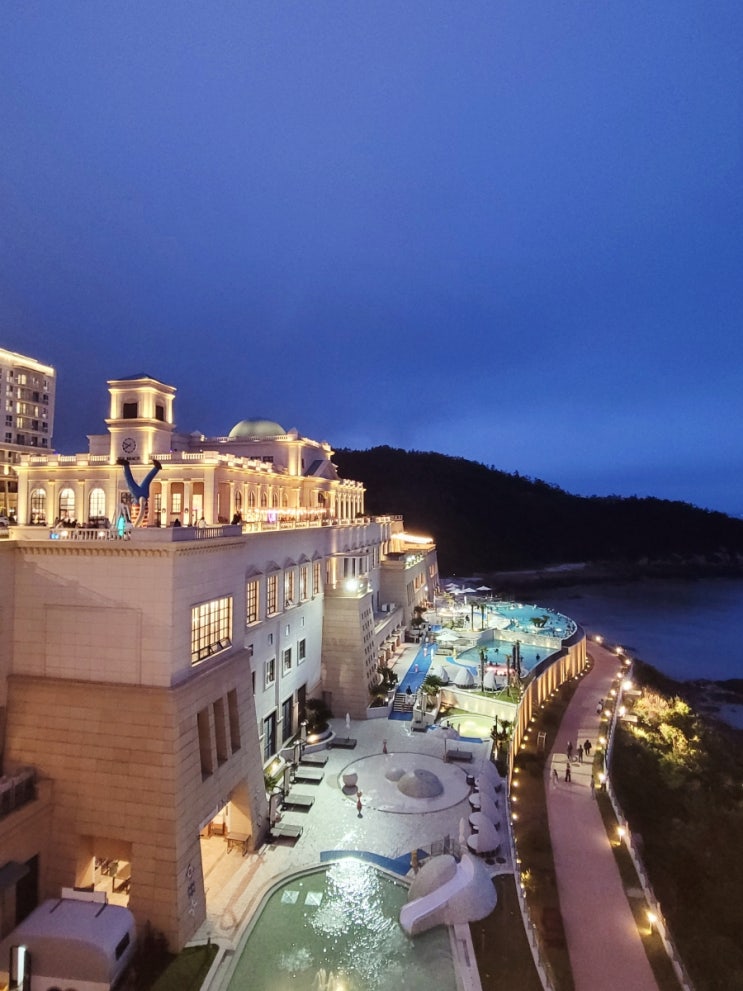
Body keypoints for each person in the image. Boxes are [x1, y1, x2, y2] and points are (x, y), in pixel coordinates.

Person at [117, 457, 162, 527]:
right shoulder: (142, 500)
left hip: (142, 495)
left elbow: (142, 513)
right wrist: (135, 527)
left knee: (146, 480)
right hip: (140, 496)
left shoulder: (142, 500)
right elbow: (142, 513)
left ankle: (156, 468)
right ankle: (126, 466)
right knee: (130, 484)